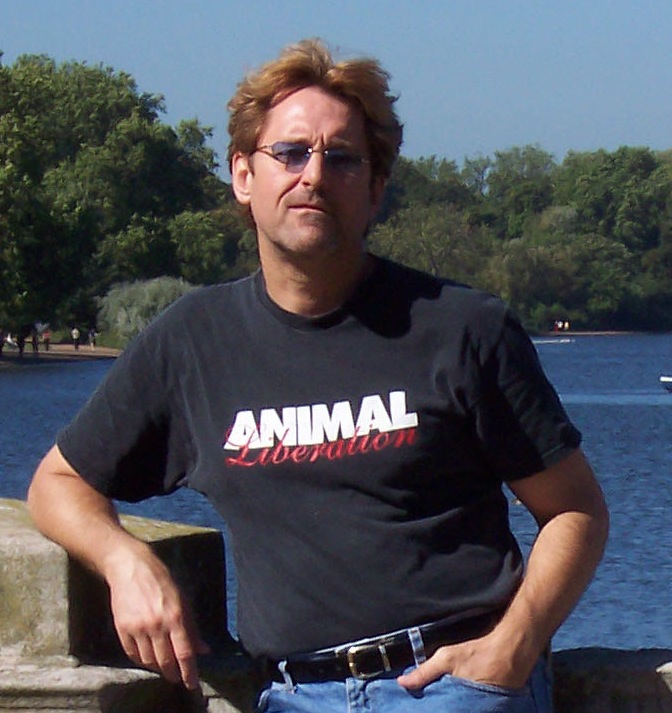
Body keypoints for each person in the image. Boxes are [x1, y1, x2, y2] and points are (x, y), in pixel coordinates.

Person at [27, 39, 609, 712]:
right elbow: (57, 484)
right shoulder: (192, 343)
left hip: (451, 686)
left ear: (376, 187)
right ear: (244, 175)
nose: (314, 176)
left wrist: (513, 645)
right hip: (292, 693)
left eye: (342, 158)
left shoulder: (461, 328)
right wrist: (125, 561)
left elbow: (575, 509)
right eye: (291, 152)